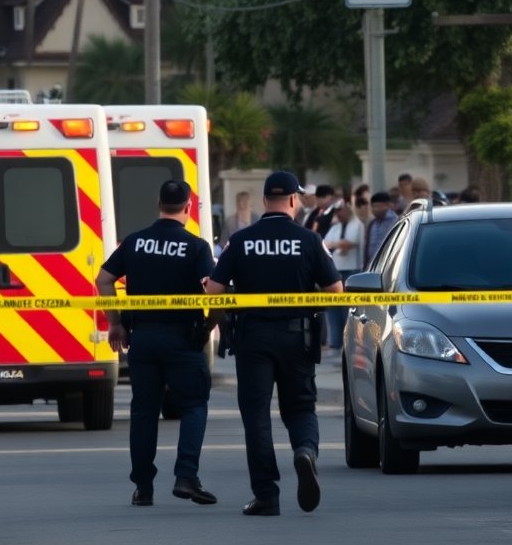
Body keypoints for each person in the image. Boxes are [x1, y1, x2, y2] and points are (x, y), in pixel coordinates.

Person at [206, 170, 342, 516]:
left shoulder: (240, 239)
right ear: (294, 200)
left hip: (253, 338)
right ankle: (305, 452)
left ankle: (266, 495)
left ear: (265, 201)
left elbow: (214, 292)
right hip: (297, 336)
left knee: (256, 416)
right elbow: (335, 291)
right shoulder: (309, 240)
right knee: (299, 407)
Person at [95, 180, 218, 508]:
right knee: (193, 405)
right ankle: (186, 476)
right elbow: (214, 290)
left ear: (158, 204)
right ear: (189, 209)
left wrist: (116, 322)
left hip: (144, 338)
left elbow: (104, 279)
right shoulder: (196, 246)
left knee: (144, 411)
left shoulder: (135, 242)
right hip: (183, 338)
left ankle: (143, 488)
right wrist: (209, 325)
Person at [322, 201, 364, 353]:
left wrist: (337, 244)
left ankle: (349, 344)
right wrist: (338, 244)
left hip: (353, 270)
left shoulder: (357, 225)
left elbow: (349, 243)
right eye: (336, 211)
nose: (338, 214)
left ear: (348, 209)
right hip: (338, 269)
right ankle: (335, 342)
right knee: (334, 308)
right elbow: (324, 244)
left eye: (341, 210)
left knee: (348, 311)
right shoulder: (335, 227)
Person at [364, 191, 397, 264]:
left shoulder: (395, 222)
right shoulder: (372, 224)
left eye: (378, 206)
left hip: (388, 264)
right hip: (372, 265)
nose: (375, 210)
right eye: (373, 207)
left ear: (388, 205)